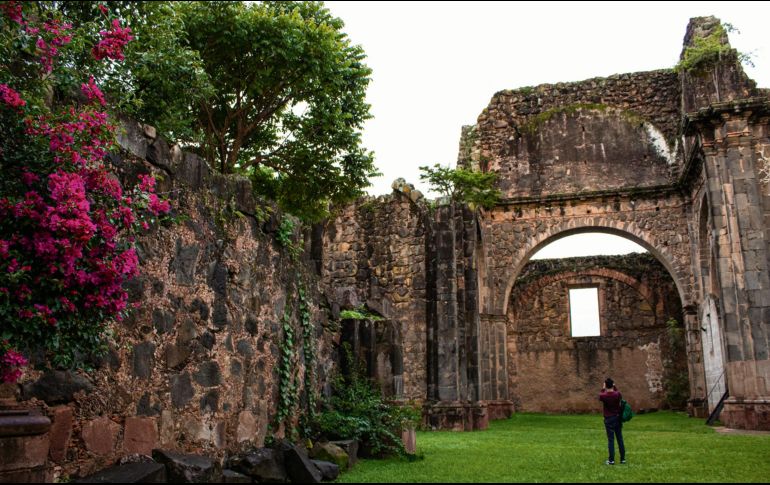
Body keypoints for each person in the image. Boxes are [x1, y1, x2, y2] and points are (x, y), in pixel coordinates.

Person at [599, 377, 626, 465]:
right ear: (613, 385)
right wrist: (615, 387)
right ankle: (622, 459)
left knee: (611, 440)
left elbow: (600, 395)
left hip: (608, 419)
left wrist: (603, 388)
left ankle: (611, 460)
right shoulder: (617, 394)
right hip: (617, 418)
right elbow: (619, 395)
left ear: (606, 385)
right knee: (620, 439)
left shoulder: (604, 395)